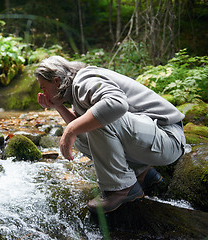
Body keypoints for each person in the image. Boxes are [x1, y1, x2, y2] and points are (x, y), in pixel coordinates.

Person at [34, 56, 186, 214]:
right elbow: (83, 128)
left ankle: (121, 188)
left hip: (169, 137)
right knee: (81, 134)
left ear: (57, 81)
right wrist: (58, 107)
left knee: (97, 118)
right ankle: (142, 174)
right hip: (155, 141)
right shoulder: (76, 90)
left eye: (43, 87)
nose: (42, 92)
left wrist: (70, 129)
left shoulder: (84, 80)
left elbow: (116, 104)